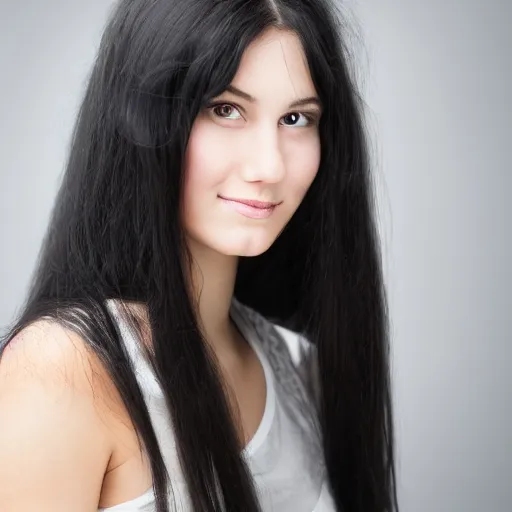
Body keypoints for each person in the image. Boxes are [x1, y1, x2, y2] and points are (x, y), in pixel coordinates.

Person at [0, 0, 399, 511]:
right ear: (143, 117)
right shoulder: (63, 371)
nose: (269, 165)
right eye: (225, 109)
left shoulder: (300, 372)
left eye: (297, 118)